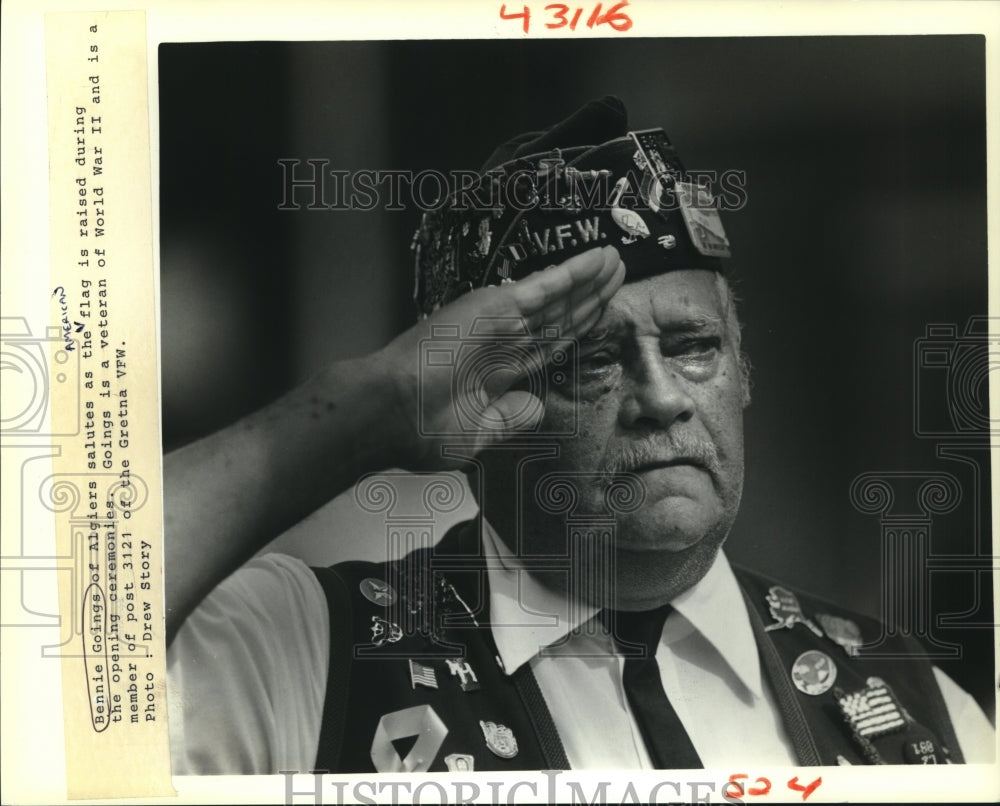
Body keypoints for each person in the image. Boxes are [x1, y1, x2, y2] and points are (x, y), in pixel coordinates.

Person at [165, 97, 993, 774]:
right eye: (591, 361)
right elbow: (84, 615)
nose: (661, 397)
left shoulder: (911, 707)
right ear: (479, 410)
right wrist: (364, 413)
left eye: (694, 346)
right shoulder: (312, 657)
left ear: (745, 372)